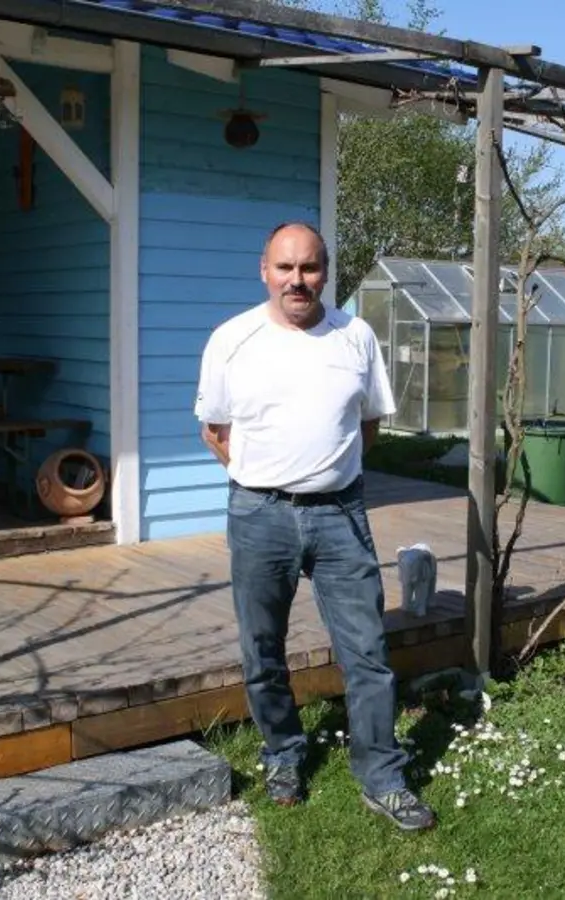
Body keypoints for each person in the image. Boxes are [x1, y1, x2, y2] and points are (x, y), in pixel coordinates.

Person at [193, 221, 436, 832]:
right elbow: (215, 431)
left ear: (326, 272)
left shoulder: (355, 336)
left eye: (309, 268)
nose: (297, 280)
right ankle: (283, 755)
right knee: (262, 649)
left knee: (368, 651)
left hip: (340, 515)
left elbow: (369, 425)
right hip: (259, 515)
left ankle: (382, 775)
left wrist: (324, 478)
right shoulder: (232, 339)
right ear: (264, 271)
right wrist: (268, 481)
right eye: (285, 268)